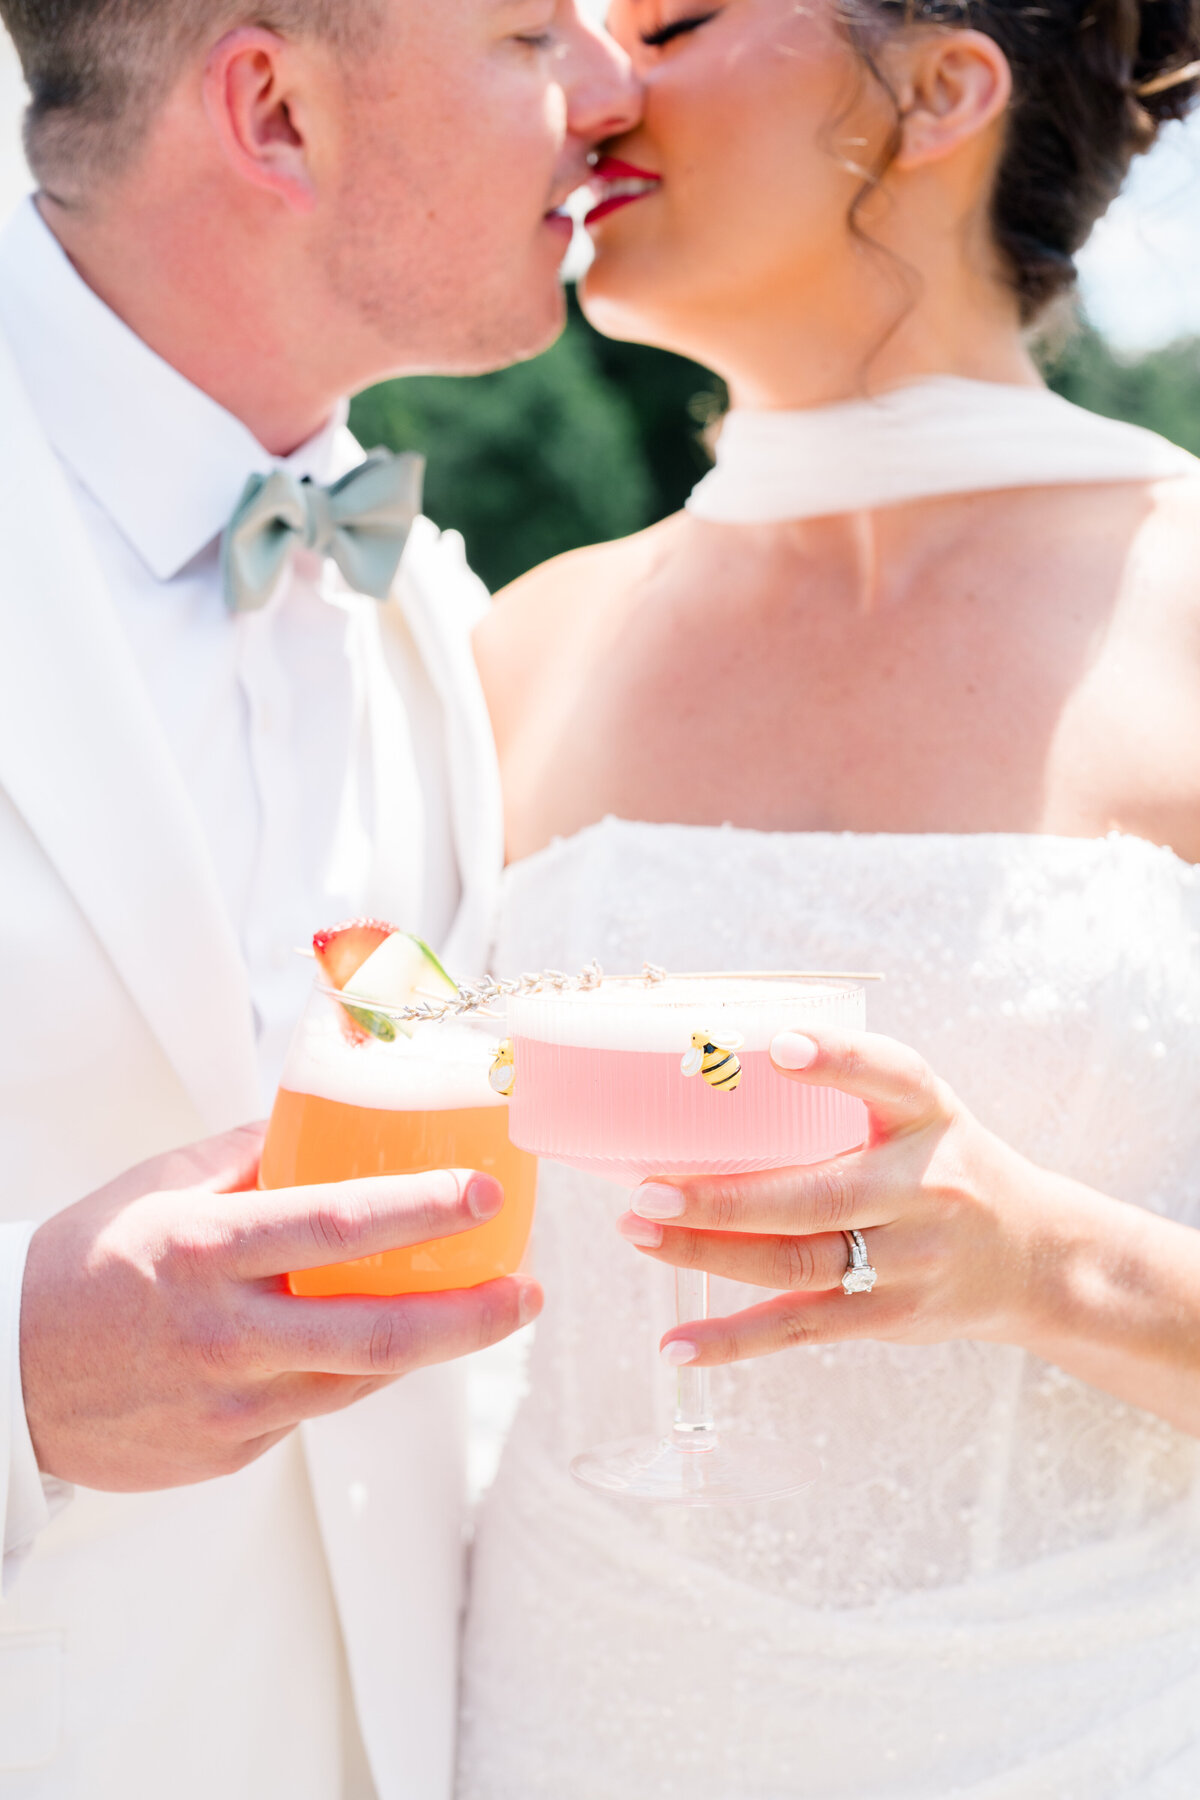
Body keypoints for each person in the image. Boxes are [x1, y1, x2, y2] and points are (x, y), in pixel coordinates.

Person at [460, 0, 1200, 1793]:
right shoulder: (509, 642)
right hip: (556, 1721)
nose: (594, 80)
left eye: (678, 22)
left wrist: (1047, 1265)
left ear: (945, 91)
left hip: (1082, 1732)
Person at [0, 2, 638, 1795]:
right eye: (532, 32)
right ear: (272, 109)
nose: (613, 87)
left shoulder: (427, 597)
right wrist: (19, 1383)